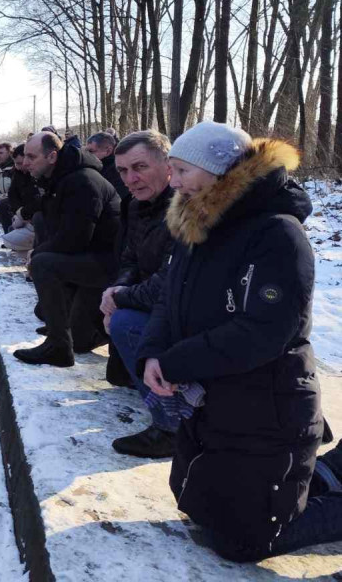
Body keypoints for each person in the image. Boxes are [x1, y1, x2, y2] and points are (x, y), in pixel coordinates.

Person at [136, 122, 336, 562]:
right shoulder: (196, 221)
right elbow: (171, 298)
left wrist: (176, 363)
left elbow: (263, 332)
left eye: (183, 171)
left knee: (243, 540)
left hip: (269, 402)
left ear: (219, 171)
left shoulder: (278, 234)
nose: (173, 181)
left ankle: (317, 488)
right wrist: (152, 353)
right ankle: (319, 474)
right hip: (215, 397)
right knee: (197, 505)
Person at [96, 131, 178, 454]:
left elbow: (169, 282)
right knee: (117, 373)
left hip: (183, 309)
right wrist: (117, 289)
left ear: (168, 165)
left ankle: (171, 426)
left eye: (140, 167)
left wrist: (121, 299)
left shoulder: (184, 206)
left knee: (124, 322)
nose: (131, 179)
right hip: (153, 299)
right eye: (123, 171)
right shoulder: (134, 204)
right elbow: (130, 257)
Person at [13, 131, 121, 367]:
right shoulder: (58, 179)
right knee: (79, 340)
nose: (25, 162)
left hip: (106, 266)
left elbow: (76, 239)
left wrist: (37, 254)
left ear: (52, 156)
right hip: (87, 260)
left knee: (43, 264)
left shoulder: (82, 181)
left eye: (31, 157)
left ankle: (59, 346)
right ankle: (65, 330)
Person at [0, 144, 40, 253]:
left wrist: (23, 214)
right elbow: (13, 194)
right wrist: (18, 212)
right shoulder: (18, 172)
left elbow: (39, 199)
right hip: (23, 210)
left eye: (19, 163)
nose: (17, 166)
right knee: (3, 206)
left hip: (33, 214)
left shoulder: (37, 173)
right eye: (15, 163)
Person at [87, 131, 130, 199]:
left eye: (91, 151)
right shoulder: (96, 166)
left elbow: (118, 197)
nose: (88, 155)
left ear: (108, 151)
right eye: (87, 151)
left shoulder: (119, 169)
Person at [0, 143, 16, 231]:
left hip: (13, 202)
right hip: (1, 200)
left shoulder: (15, 167)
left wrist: (7, 196)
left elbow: (17, 186)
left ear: (9, 153)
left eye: (1, 153)